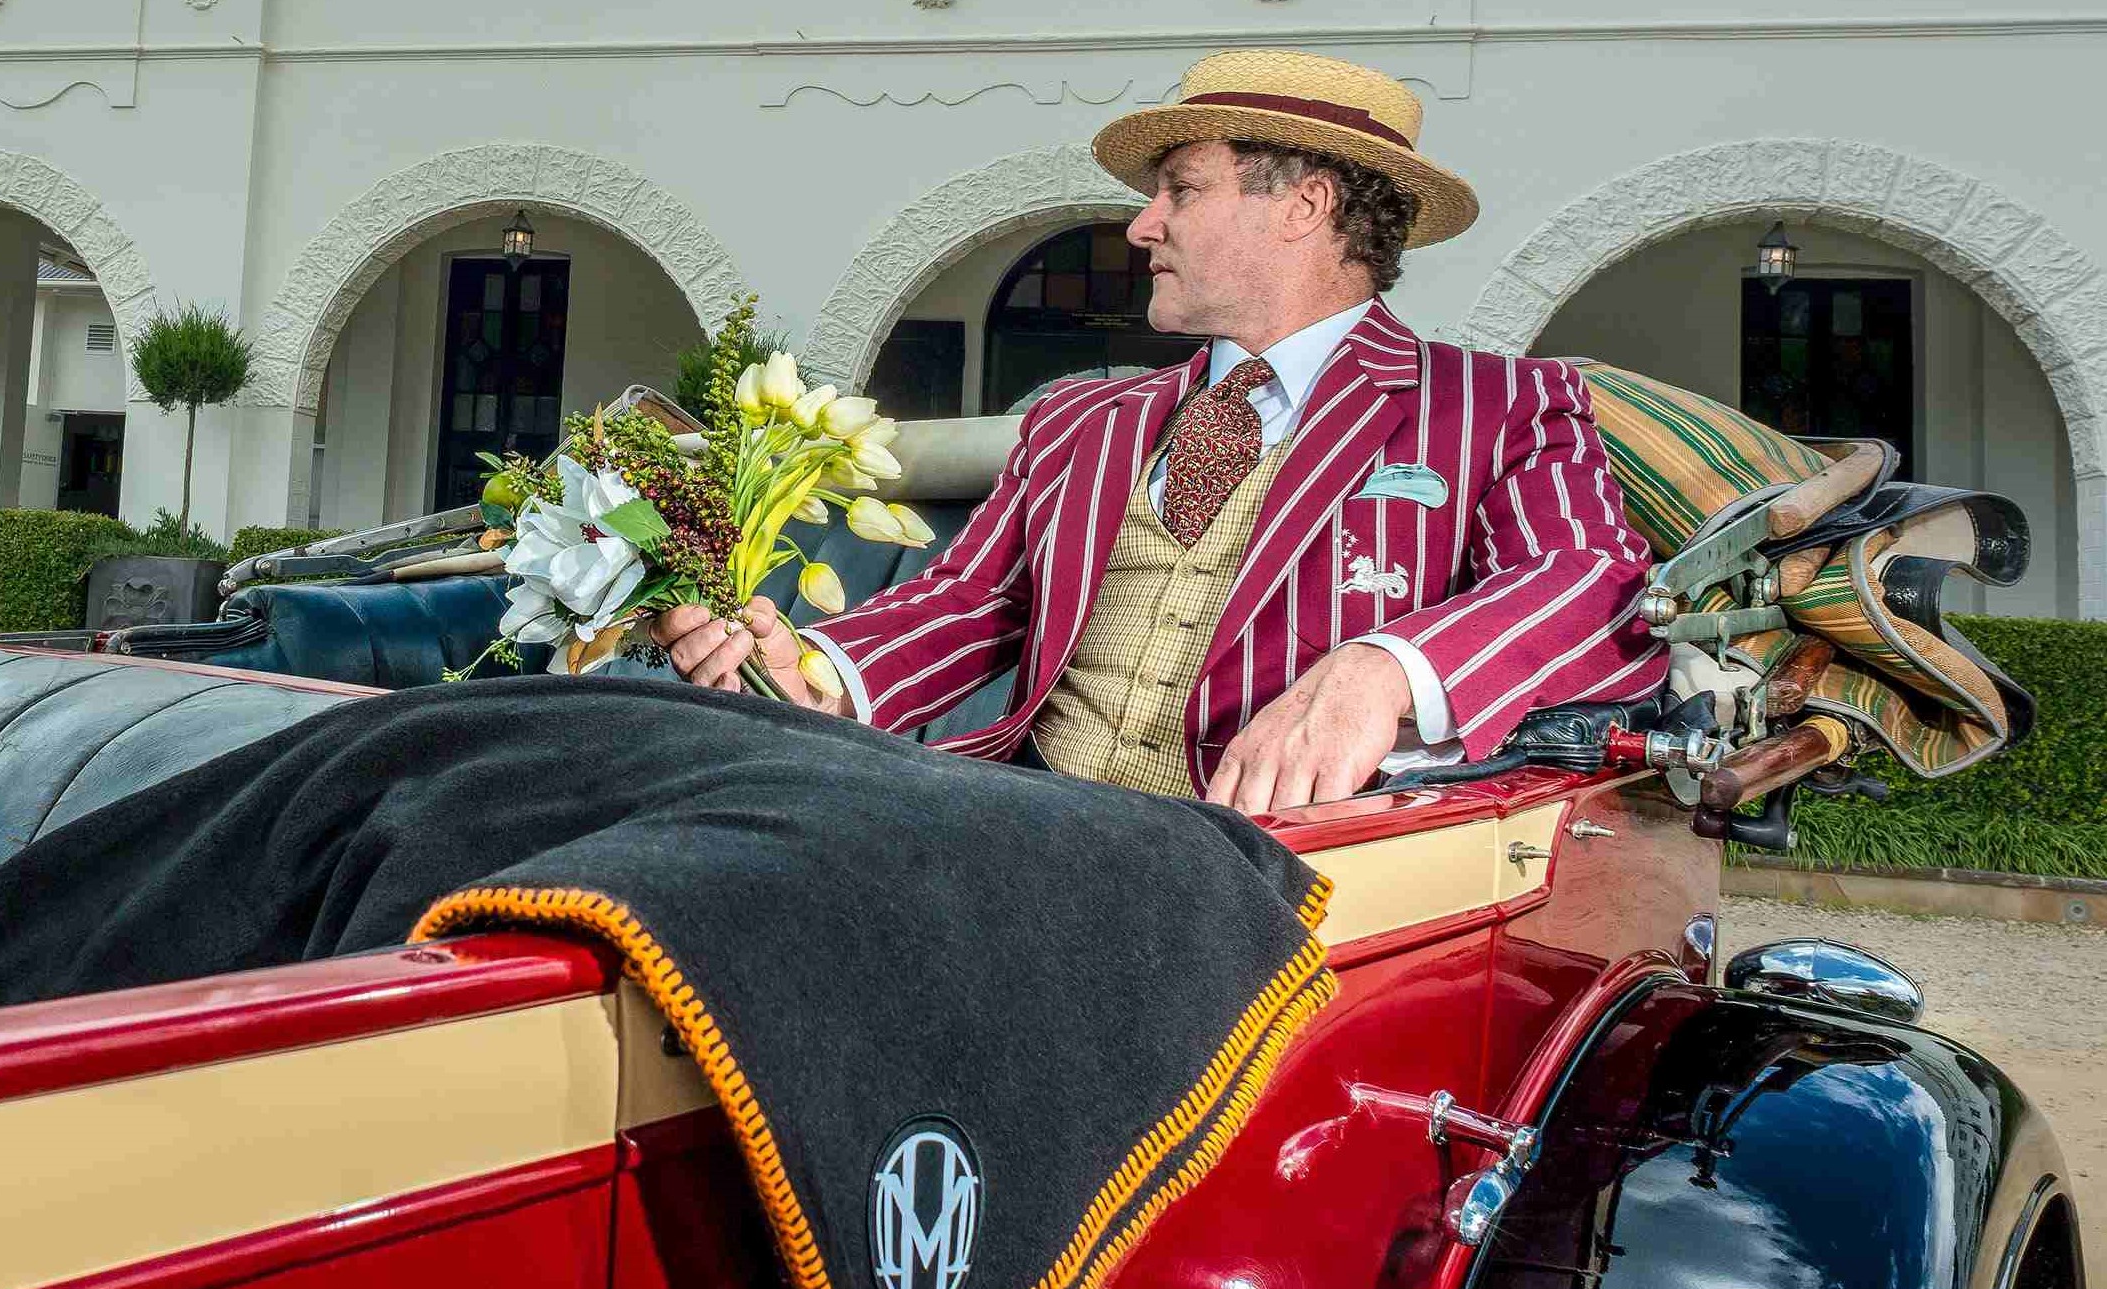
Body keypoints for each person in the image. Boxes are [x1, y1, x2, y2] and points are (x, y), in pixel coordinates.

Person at [657, 48, 1668, 814]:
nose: (1142, 225)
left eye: (1180, 188)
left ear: (1304, 205)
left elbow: (1597, 585)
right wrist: (818, 671)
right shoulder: (1078, 420)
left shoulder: (1497, 403)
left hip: (1275, 874)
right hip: (1022, 822)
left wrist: (1384, 670)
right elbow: (970, 603)